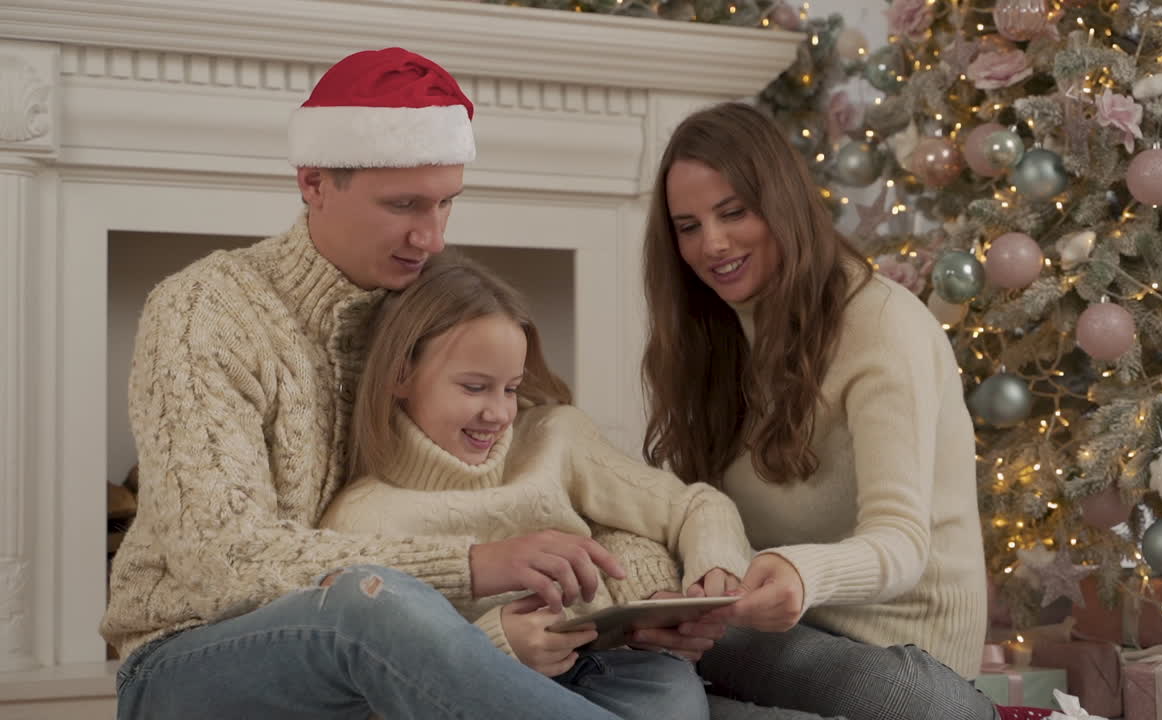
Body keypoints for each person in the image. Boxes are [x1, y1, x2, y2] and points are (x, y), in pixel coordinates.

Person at [102, 47, 677, 720]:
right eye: (403, 205)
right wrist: (477, 564)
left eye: (445, 205)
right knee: (369, 604)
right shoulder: (204, 311)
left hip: (403, 647)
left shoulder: (429, 309)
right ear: (314, 182)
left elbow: (577, 485)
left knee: (655, 678)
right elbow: (222, 561)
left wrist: (641, 591)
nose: (430, 237)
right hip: (191, 659)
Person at [636, 101, 999, 720]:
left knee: (934, 710)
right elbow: (695, 511)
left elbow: (902, 544)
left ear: (781, 204)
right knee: (637, 628)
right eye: (688, 226)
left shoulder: (882, 322)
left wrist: (798, 574)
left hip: (904, 661)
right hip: (775, 642)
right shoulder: (711, 339)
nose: (712, 244)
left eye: (733, 213)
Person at [318, 253, 758, 719]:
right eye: (474, 387)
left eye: (510, 388)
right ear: (399, 376)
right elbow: (383, 676)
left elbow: (696, 505)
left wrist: (713, 572)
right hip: (496, 693)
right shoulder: (360, 517)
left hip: (624, 667)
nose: (499, 413)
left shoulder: (555, 437)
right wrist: (498, 649)